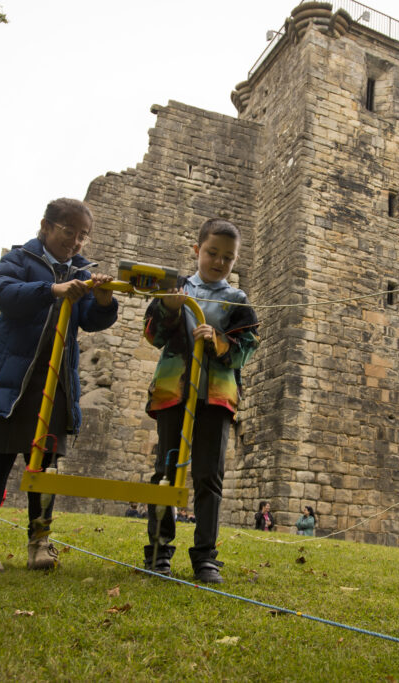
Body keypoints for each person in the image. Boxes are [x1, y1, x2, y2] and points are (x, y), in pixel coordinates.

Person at [0, 198, 119, 572]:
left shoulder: (81, 269)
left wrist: (103, 299)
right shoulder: (18, 260)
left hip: (56, 381)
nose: (77, 242)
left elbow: (92, 321)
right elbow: (7, 296)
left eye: (83, 236)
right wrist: (52, 290)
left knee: (44, 466)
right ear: (45, 226)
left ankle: (40, 542)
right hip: (11, 380)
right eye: (69, 232)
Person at [142, 218, 259, 584]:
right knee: (165, 471)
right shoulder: (175, 289)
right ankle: (159, 553)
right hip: (174, 392)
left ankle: (205, 557)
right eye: (212, 253)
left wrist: (219, 341)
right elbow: (152, 335)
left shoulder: (238, 302)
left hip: (215, 398)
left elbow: (246, 351)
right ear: (197, 251)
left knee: (209, 476)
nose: (219, 262)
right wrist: (170, 309)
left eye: (228, 257)